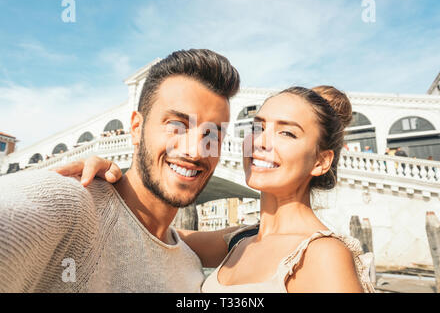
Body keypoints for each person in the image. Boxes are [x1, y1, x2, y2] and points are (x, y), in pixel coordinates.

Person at [57, 86, 375, 292]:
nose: (261, 142)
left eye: (287, 134)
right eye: (258, 127)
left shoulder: (322, 256)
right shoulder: (237, 241)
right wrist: (112, 181)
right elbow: (144, 230)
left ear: (321, 161)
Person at [0, 49, 240, 292]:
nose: (197, 151)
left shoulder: (191, 268)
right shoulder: (69, 202)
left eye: (212, 134)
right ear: (136, 128)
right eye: (177, 125)